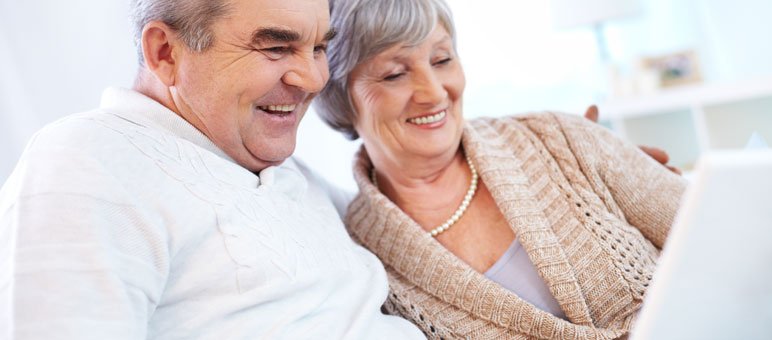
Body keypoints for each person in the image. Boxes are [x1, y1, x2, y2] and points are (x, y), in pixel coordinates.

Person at [0, 0, 425, 338]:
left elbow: (410, 245)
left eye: (317, 49)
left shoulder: (287, 172)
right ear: (165, 52)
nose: (313, 78)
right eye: (276, 47)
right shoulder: (89, 159)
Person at [314, 0, 687, 338]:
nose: (434, 92)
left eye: (442, 60)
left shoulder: (560, 139)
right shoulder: (358, 262)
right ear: (340, 97)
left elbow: (721, 235)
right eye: (394, 74)